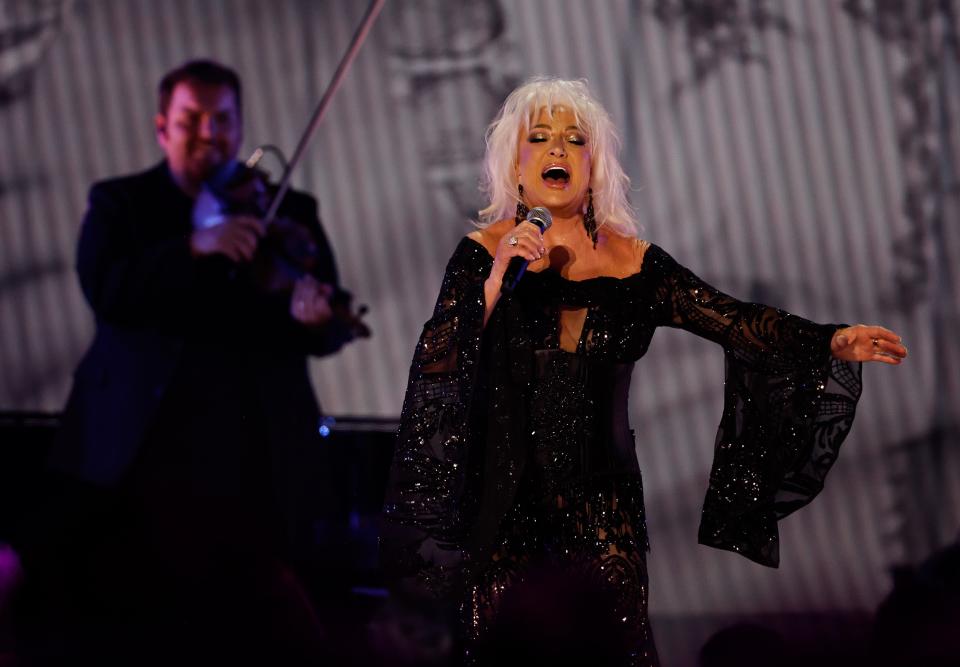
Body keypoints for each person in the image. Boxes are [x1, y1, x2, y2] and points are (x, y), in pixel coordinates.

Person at [380, 77, 907, 666]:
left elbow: (730, 318)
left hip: (603, 501)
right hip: (504, 500)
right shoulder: (482, 254)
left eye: (574, 140)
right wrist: (499, 279)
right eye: (540, 138)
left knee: (615, 649)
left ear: (594, 164)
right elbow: (438, 362)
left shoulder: (637, 263)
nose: (558, 150)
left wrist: (830, 339)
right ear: (516, 165)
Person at [18, 59, 362, 665]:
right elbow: (108, 292)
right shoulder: (122, 204)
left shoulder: (290, 210)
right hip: (142, 460)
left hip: (255, 459)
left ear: (239, 125)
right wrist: (190, 246)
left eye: (222, 120)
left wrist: (317, 319)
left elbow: (324, 323)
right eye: (191, 120)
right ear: (162, 127)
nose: (209, 133)